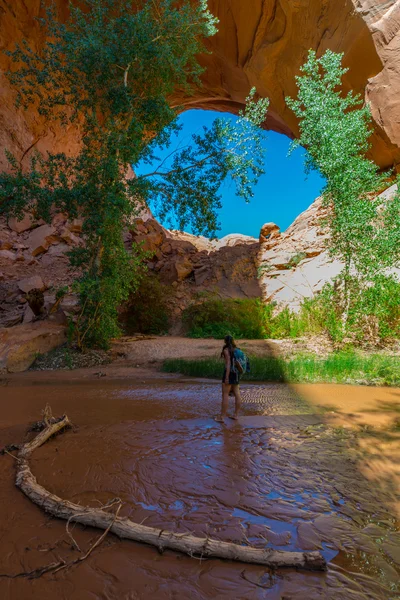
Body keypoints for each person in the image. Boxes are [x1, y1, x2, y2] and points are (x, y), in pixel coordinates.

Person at [215, 335, 242, 423]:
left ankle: (222, 417)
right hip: (236, 374)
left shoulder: (226, 350)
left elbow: (228, 364)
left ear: (225, 341)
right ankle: (236, 415)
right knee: (237, 394)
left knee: (225, 395)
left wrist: (226, 377)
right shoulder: (237, 350)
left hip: (229, 373)